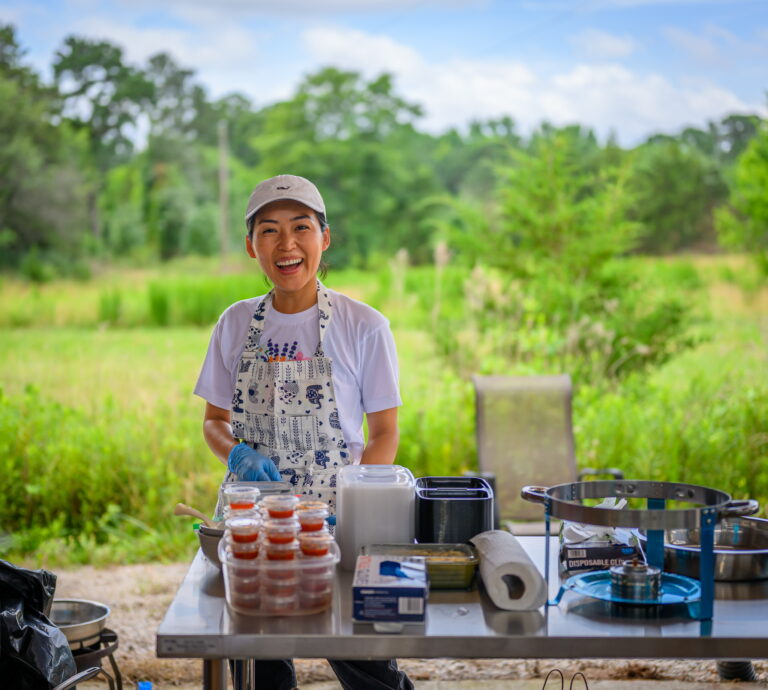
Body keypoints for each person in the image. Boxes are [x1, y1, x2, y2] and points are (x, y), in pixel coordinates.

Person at [194, 174, 413, 690]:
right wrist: (237, 454)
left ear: (325, 237)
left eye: (301, 227)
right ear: (252, 246)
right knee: (258, 664)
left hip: (333, 524)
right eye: (269, 231)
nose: (286, 244)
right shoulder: (234, 323)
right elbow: (213, 422)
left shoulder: (365, 326)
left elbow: (385, 433)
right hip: (253, 524)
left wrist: (352, 496)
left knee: (363, 663)